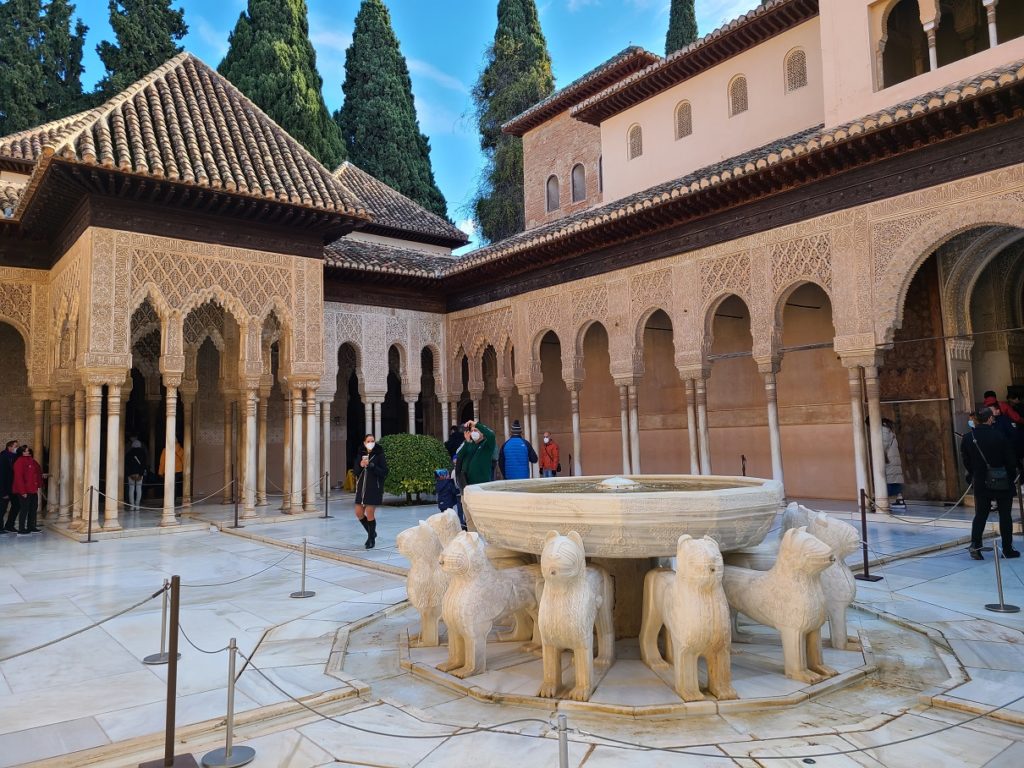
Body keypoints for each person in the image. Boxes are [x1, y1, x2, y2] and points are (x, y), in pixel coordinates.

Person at [961, 407, 1020, 560]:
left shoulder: (968, 438)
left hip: (981, 481)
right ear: (988, 419)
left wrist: (976, 474)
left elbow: (966, 462)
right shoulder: (999, 436)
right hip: (1002, 480)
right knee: (1005, 515)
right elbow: (1010, 461)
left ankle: (976, 545)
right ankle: (1007, 549)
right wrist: (1010, 477)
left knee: (980, 514)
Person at [353, 434, 388, 549]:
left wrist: (372, 466)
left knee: (369, 512)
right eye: (368, 441)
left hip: (374, 488)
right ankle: (372, 532)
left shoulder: (379, 454)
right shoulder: (360, 454)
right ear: (364, 442)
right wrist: (361, 465)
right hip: (362, 488)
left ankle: (371, 539)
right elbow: (356, 471)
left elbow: (384, 472)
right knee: (358, 512)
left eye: (372, 441)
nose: (371, 442)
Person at [12, 446, 43, 534]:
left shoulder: (32, 460)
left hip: (33, 489)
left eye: (28, 451)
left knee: (33, 508)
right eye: (25, 451)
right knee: (24, 509)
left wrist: (39, 484)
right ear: (21, 452)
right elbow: (18, 478)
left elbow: (37, 472)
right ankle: (21, 528)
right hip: (24, 490)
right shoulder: (19, 462)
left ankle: (31, 526)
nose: (28, 452)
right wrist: (23, 491)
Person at [457, 420, 495, 487]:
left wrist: (476, 424)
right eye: (472, 431)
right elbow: (459, 455)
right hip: (468, 484)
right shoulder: (469, 444)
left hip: (482, 484)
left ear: (482, 433)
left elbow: (491, 435)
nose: (473, 432)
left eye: (476, 430)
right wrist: (467, 442)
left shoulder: (487, 445)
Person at [881, 419, 905, 508]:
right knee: (894, 478)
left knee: (891, 479)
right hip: (893, 457)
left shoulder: (883, 429)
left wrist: (881, 455)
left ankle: (884, 501)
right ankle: (899, 499)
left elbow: (884, 443)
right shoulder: (889, 429)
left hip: (888, 458)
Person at [1, 439, 21, 533]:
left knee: (17, 505)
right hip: (5, 488)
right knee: (2, 509)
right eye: (15, 446)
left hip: (13, 488)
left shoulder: (15, 457)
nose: (17, 448)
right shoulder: (3, 457)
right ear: (9, 447)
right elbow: (2, 475)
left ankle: (9, 525)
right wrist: (3, 492)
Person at [125, 437, 148, 512]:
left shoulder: (128, 454)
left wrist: (130, 474)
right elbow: (144, 465)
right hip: (139, 474)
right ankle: (137, 505)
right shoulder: (143, 453)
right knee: (139, 489)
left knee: (131, 489)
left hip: (131, 475)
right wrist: (141, 474)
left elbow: (126, 465)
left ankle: (132, 506)